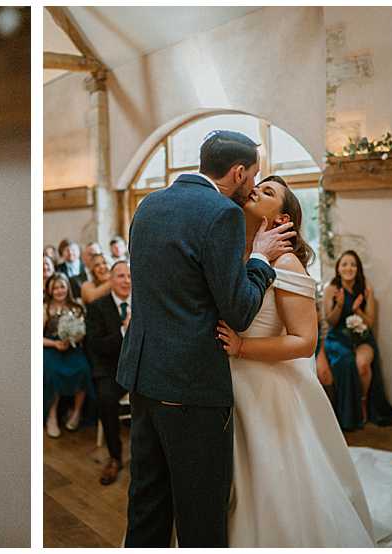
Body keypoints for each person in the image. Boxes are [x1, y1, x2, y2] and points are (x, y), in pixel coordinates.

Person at [117, 130, 294, 547]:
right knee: (201, 514)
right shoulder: (221, 215)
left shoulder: (149, 205)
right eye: (253, 176)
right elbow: (239, 309)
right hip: (191, 387)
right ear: (238, 172)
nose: (253, 184)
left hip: (143, 380)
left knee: (146, 505)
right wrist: (259, 258)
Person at [215, 176, 375, 546]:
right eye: (258, 185)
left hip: (266, 389)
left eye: (268, 192)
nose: (255, 190)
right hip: (227, 384)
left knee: (273, 486)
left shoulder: (285, 262)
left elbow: (305, 341)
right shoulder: (234, 256)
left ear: (284, 219)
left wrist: (241, 348)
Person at [322, 250, 392, 430]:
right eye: (345, 264)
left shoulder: (365, 288)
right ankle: (348, 414)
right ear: (338, 268)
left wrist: (357, 310)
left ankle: (362, 403)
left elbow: (370, 322)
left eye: (353, 264)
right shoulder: (331, 288)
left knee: (362, 364)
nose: (349, 268)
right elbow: (330, 321)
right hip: (338, 337)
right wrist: (340, 304)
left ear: (358, 269)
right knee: (345, 360)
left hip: (362, 336)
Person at [84, 260, 131, 486]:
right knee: (105, 398)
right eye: (121, 276)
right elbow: (96, 346)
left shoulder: (145, 303)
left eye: (130, 276)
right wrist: (124, 330)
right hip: (110, 369)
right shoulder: (97, 308)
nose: (126, 280)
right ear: (111, 280)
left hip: (142, 367)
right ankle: (115, 456)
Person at [42, 273, 92, 438]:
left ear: (67, 287)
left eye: (62, 286)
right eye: (55, 287)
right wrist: (55, 343)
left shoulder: (76, 306)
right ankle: (52, 416)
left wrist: (74, 337)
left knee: (83, 369)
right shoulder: (44, 308)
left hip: (73, 347)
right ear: (50, 290)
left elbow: (83, 332)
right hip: (50, 347)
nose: (59, 290)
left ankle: (76, 412)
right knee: (52, 373)